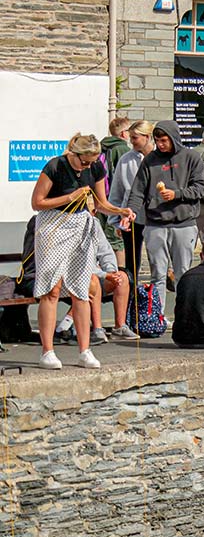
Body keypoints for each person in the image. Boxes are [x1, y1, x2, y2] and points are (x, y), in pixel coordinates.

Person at [28, 133, 131, 368]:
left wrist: (121, 211)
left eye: (93, 161)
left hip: (80, 225)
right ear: (74, 154)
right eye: (84, 161)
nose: (88, 166)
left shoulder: (95, 168)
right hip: (53, 224)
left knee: (82, 288)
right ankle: (47, 351)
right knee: (51, 288)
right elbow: (37, 202)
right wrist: (70, 196)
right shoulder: (55, 166)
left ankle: (85, 350)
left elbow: (102, 203)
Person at [139, 122, 204, 294]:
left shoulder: (191, 157)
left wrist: (176, 194)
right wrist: (129, 213)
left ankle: (183, 317)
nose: (160, 145)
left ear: (174, 138)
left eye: (164, 140)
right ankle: (158, 318)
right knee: (158, 276)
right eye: (157, 141)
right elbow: (138, 190)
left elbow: (200, 188)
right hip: (155, 224)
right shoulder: (150, 160)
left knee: (183, 275)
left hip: (184, 223)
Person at [107, 120, 153, 292]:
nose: (131, 141)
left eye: (135, 138)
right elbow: (117, 191)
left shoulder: (159, 158)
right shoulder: (127, 159)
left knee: (157, 261)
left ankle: (153, 303)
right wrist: (115, 219)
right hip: (131, 219)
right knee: (132, 262)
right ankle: (132, 300)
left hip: (156, 218)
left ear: (147, 137)